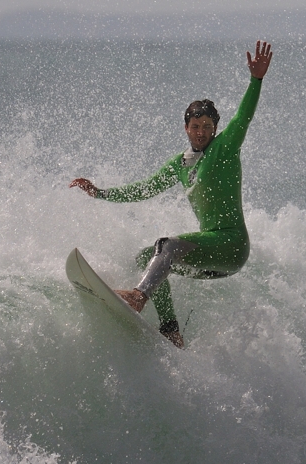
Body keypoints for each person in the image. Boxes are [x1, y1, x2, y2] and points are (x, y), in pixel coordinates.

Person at [70, 41, 274, 349]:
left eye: (207, 126)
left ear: (215, 129)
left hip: (230, 245)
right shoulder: (180, 165)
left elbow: (243, 118)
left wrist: (255, 81)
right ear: (186, 128)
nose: (201, 132)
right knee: (147, 257)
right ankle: (171, 331)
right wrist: (99, 193)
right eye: (195, 126)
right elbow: (142, 189)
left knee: (167, 245)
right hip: (209, 258)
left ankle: (138, 297)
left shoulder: (224, 148)